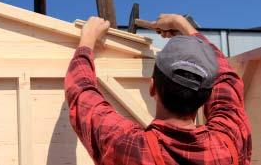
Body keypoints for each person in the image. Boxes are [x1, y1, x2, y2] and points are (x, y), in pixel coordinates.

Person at [64, 14, 251, 165]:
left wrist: (87, 40)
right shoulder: (229, 143)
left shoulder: (131, 148)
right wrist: (184, 26)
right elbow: (226, 78)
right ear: (206, 98)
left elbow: (82, 94)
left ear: (152, 87)